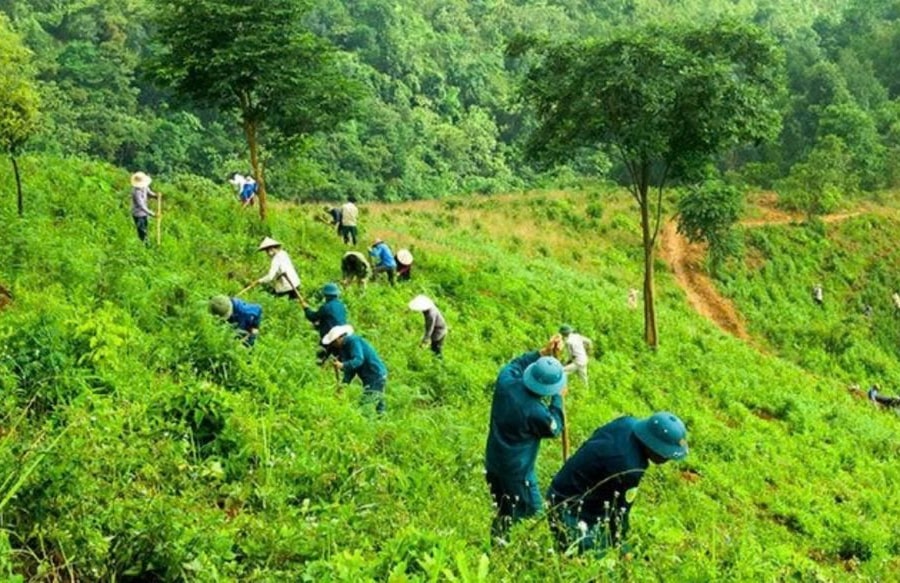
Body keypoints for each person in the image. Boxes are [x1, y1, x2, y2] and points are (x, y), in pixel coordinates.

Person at [546, 412, 689, 556]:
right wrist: (622, 545)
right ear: (654, 446)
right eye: (666, 454)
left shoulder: (628, 423)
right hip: (566, 506)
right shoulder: (629, 467)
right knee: (594, 558)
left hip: (566, 480)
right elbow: (619, 513)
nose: (667, 459)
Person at [484, 337, 567, 543]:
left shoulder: (506, 381)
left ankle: (497, 544)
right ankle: (516, 554)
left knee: (504, 511)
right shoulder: (536, 413)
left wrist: (542, 352)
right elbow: (555, 427)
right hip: (518, 474)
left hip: (493, 463)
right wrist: (558, 397)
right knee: (533, 516)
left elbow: (516, 364)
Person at [323, 325, 388, 414]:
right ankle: (382, 423)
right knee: (378, 404)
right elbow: (351, 370)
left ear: (338, 339)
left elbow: (358, 360)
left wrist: (342, 365)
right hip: (369, 376)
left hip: (375, 374)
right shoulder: (344, 348)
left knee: (366, 403)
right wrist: (343, 386)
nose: (333, 346)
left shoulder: (353, 341)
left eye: (333, 343)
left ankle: (368, 423)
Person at [303, 283, 349, 363]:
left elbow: (313, 317)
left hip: (330, 337)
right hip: (341, 337)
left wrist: (306, 309)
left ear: (326, 296)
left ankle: (319, 367)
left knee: (320, 357)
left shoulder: (326, 307)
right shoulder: (341, 306)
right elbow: (332, 320)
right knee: (341, 361)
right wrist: (319, 325)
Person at [130, 172, 158, 243]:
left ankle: (146, 242)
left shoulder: (145, 186)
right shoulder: (136, 192)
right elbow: (141, 205)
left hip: (144, 214)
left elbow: (149, 192)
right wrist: (152, 214)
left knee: (145, 227)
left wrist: (155, 196)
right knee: (142, 231)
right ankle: (145, 245)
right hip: (138, 214)